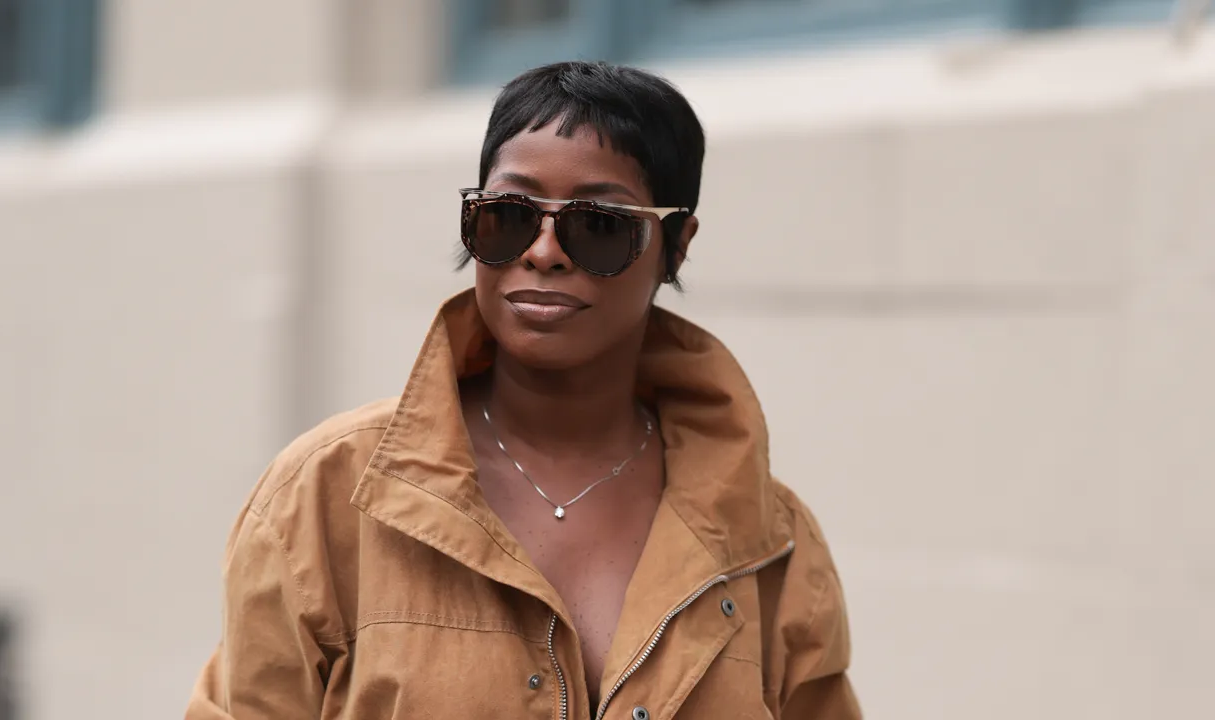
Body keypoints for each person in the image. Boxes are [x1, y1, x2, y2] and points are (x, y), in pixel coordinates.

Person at [187, 61, 860, 720]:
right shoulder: (326, 493)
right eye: (508, 216)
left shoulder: (770, 538)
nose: (543, 252)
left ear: (676, 245)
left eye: (599, 224)